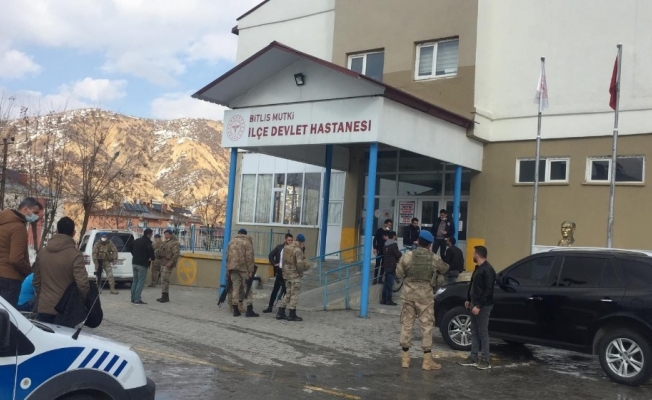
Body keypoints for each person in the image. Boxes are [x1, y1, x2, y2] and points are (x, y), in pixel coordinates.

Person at [396, 230, 449, 370]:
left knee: (407, 325)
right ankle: (427, 361)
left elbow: (399, 273)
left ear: (418, 241)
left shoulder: (407, 256)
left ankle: (405, 359)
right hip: (425, 297)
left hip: (408, 296)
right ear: (430, 245)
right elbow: (445, 269)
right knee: (426, 327)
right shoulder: (433, 258)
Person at [32, 217, 89, 323]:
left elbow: (36, 281)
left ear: (57, 231)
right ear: (73, 233)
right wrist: (79, 302)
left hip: (44, 307)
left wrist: (41, 298)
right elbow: (83, 285)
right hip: (66, 310)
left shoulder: (42, 253)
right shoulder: (75, 255)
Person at [0, 197, 42, 307]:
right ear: (25, 209)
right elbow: (16, 258)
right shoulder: (19, 227)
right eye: (35, 213)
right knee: (7, 314)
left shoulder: (3, 222)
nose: (36, 217)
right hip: (9, 279)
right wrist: (28, 271)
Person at [459, 245, 496, 370]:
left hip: (483, 307)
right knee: (474, 331)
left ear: (478, 254)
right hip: (474, 304)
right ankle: (473, 357)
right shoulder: (478, 269)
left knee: (483, 332)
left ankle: (485, 359)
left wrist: (479, 305)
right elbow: (474, 286)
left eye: (473, 253)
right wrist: (469, 300)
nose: (472, 255)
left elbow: (488, 290)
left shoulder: (488, 270)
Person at [276, 234, 311, 322]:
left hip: (287, 275)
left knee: (288, 293)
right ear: (301, 242)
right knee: (294, 295)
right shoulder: (298, 250)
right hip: (295, 275)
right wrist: (301, 273)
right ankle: (292, 314)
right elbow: (299, 264)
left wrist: (284, 273)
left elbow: (283, 261)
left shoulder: (287, 247)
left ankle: (280, 312)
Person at [226, 228, 258, 317]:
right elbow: (249, 257)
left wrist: (228, 269)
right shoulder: (247, 242)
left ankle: (235, 310)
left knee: (235, 288)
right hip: (244, 269)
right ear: (245, 234)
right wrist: (251, 270)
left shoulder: (231, 242)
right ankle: (249, 309)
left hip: (233, 268)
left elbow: (227, 256)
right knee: (248, 288)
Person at [263, 233, 293, 313]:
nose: (290, 242)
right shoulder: (279, 247)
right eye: (289, 240)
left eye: (291, 240)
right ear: (285, 240)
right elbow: (271, 255)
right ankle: (270, 306)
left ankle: (283, 309)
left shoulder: (292, 249)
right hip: (280, 271)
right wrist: (274, 264)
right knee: (275, 289)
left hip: (288, 272)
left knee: (286, 290)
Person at [131, 228, 155, 305]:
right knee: (140, 282)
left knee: (135, 281)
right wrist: (152, 258)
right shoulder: (148, 242)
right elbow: (151, 251)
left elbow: (129, 246)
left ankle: (133, 298)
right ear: (149, 234)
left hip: (134, 262)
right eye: (151, 234)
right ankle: (137, 299)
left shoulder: (136, 241)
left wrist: (134, 254)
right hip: (142, 264)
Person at [156, 229, 180, 303]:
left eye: (167, 234)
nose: (166, 236)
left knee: (165, 279)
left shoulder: (174, 243)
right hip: (163, 262)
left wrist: (171, 262)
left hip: (168, 263)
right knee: (163, 280)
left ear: (171, 234)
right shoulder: (165, 242)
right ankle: (164, 295)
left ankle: (165, 297)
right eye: (165, 235)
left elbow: (176, 254)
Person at [381, 231, 401, 306]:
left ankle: (383, 299)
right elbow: (397, 254)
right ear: (394, 236)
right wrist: (400, 254)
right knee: (390, 284)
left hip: (386, 265)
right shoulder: (393, 245)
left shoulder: (385, 244)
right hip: (391, 266)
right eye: (396, 235)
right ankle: (389, 300)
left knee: (386, 283)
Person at [373, 219, 392, 285]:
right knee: (377, 264)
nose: (389, 226)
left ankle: (380, 279)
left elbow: (391, 242)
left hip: (385, 251)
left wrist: (387, 239)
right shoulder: (379, 230)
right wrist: (375, 248)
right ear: (385, 224)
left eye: (390, 225)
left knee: (383, 265)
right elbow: (375, 240)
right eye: (388, 225)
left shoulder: (389, 232)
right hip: (379, 250)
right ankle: (375, 278)